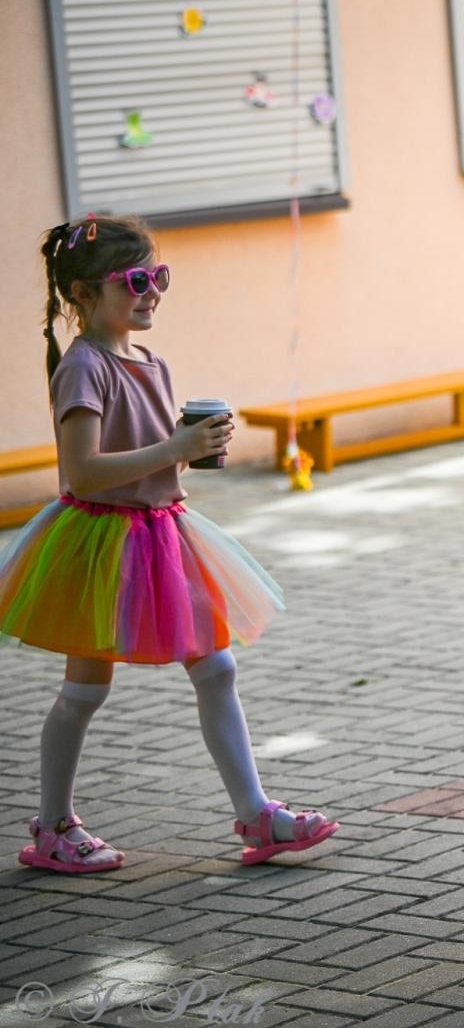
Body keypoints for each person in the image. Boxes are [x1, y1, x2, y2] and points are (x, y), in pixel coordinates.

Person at [2, 214, 338, 873]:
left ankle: (256, 814)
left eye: (158, 276)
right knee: (85, 690)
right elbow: (84, 472)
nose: (151, 291)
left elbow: (152, 456)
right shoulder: (83, 368)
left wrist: (191, 449)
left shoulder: (150, 362)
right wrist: (175, 447)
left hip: (162, 532)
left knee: (217, 667)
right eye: (134, 281)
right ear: (83, 293)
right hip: (99, 542)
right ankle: (53, 825)